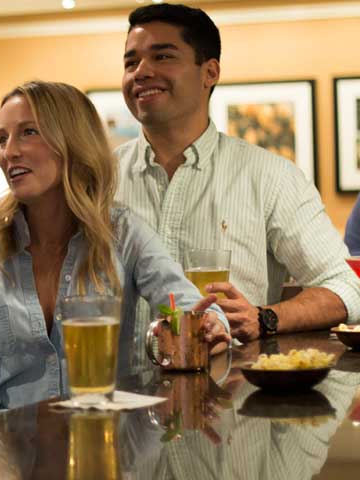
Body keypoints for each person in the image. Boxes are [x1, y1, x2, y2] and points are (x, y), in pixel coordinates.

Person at [0, 80, 230, 422]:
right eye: (2, 139)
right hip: (16, 459)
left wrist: (210, 327)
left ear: (72, 142)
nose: (9, 152)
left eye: (29, 132)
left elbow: (187, 307)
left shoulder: (123, 232)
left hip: (111, 448)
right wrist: (8, 458)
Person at [115, 3, 360, 343]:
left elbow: (348, 285)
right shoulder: (94, 181)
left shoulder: (270, 177)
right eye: (131, 62)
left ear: (210, 72)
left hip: (231, 392)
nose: (140, 71)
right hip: (115, 394)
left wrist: (266, 318)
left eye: (163, 57)